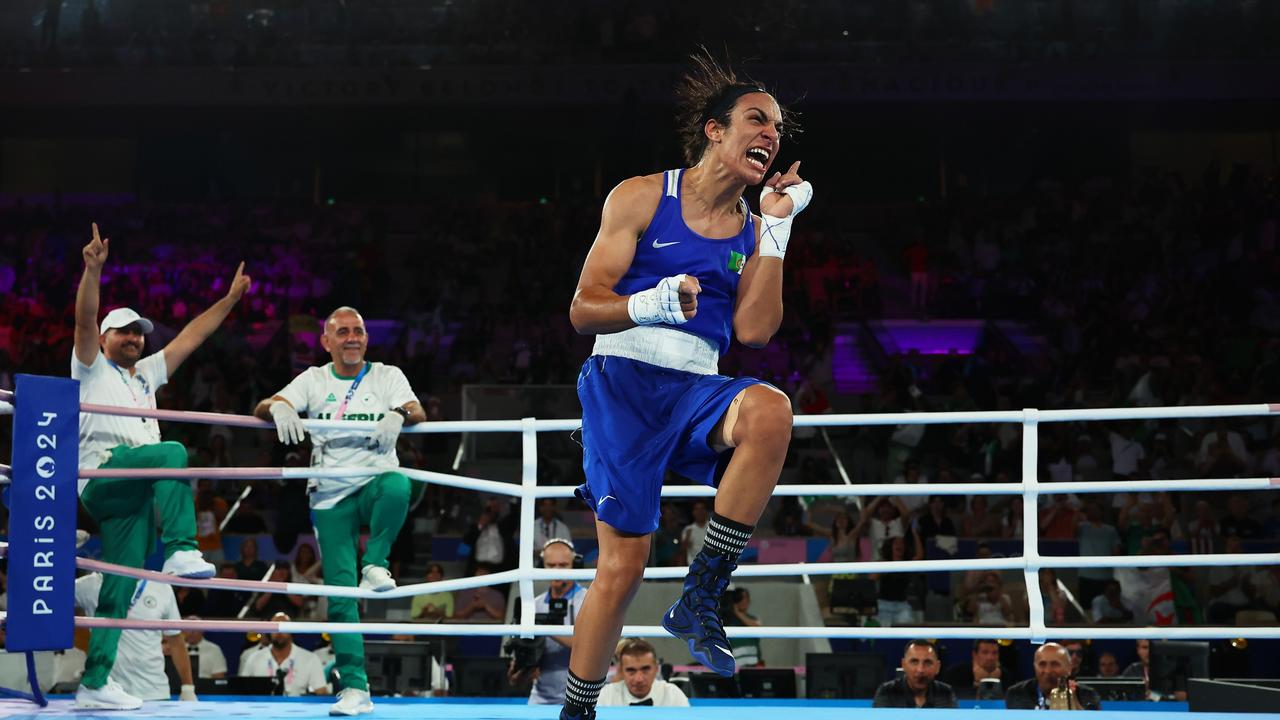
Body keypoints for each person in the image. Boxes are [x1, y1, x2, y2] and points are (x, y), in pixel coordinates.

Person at [560, 53, 812, 720]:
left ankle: (702, 593)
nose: (772, 135)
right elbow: (584, 308)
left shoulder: (756, 228)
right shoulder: (642, 195)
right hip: (623, 384)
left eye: (779, 128)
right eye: (757, 120)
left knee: (769, 411)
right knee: (621, 569)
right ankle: (577, 710)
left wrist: (779, 230)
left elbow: (755, 331)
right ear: (713, 130)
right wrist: (651, 302)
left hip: (697, 384)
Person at [72, 223, 249, 710]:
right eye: (124, 331)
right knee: (174, 451)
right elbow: (84, 322)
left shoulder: (147, 375)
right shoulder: (89, 364)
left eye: (138, 332)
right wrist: (92, 271)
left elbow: (192, 335)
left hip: (136, 494)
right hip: (104, 478)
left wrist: (230, 301)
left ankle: (95, 683)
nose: (133, 338)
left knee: (121, 583)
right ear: (106, 338)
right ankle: (181, 548)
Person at [253, 305, 425, 716]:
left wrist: (398, 414)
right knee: (340, 593)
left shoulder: (387, 375)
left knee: (399, 483)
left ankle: (377, 563)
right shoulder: (313, 379)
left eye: (359, 331)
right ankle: (354, 689)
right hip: (329, 494)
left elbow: (417, 409)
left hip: (373, 481)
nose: (352, 337)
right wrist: (280, 407)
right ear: (326, 341)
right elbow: (265, 405)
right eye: (343, 331)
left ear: (367, 338)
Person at [74, 573, 197, 705]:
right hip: (106, 694)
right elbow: (53, 603)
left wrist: (188, 688)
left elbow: (176, 640)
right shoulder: (88, 585)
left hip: (154, 691)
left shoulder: (160, 585)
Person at [509, 539, 589, 704]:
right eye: (551, 565)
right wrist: (521, 670)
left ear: (575, 565)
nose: (557, 571)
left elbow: (588, 644)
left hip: (583, 698)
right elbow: (515, 680)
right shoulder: (534, 605)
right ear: (541, 566)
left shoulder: (589, 600)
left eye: (563, 565)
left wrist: (543, 627)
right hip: (541, 698)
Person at [238, 613, 329, 697]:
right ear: (269, 632)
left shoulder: (310, 659)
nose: (279, 632)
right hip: (262, 709)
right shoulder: (254, 658)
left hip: (297, 710)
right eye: (274, 627)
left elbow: (321, 692)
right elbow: (241, 690)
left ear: (292, 630)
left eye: (284, 627)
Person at [1005, 643, 1101, 710]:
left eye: (1055, 664)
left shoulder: (1086, 694)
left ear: (1069, 668)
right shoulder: (1017, 693)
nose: (1048, 670)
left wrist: (1074, 701)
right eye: (1042, 664)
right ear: (1034, 667)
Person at [597, 638, 689, 707]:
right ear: (621, 671)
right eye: (631, 671)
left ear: (656, 669)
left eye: (645, 670)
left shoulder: (673, 695)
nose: (639, 679)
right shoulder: (606, 696)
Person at [872, 639, 957, 708]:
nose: (920, 670)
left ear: (937, 667)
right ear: (904, 665)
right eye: (914, 662)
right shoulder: (887, 691)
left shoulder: (945, 692)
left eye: (927, 662)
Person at [941, 639, 1009, 696]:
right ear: (974, 655)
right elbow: (952, 699)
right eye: (985, 652)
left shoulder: (1005, 675)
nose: (990, 658)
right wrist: (977, 684)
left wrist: (996, 684)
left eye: (994, 653)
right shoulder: (955, 673)